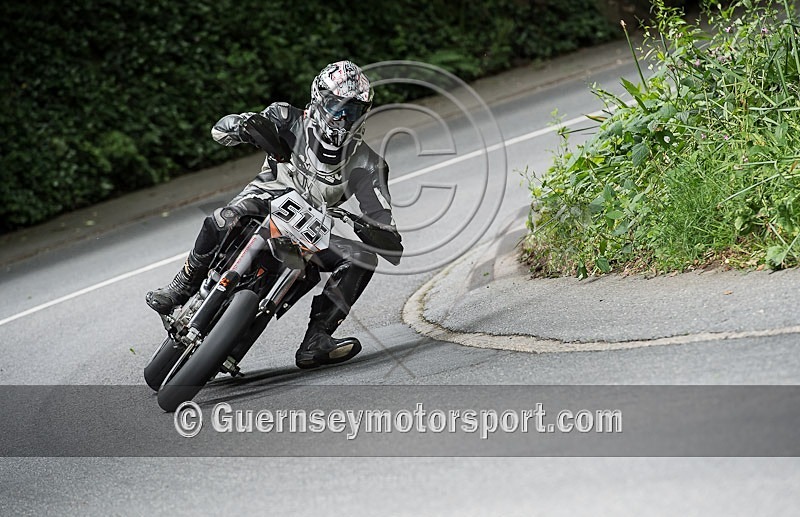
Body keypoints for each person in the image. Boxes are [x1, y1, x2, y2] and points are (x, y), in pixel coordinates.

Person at [146, 60, 402, 369]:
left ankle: (316, 339)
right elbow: (220, 131)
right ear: (319, 99)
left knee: (361, 258)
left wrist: (370, 228)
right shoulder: (285, 117)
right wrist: (243, 126)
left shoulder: (369, 164)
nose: (343, 116)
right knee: (223, 217)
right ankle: (181, 287)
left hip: (309, 233)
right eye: (336, 105)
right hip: (261, 203)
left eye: (353, 110)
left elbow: (388, 233)